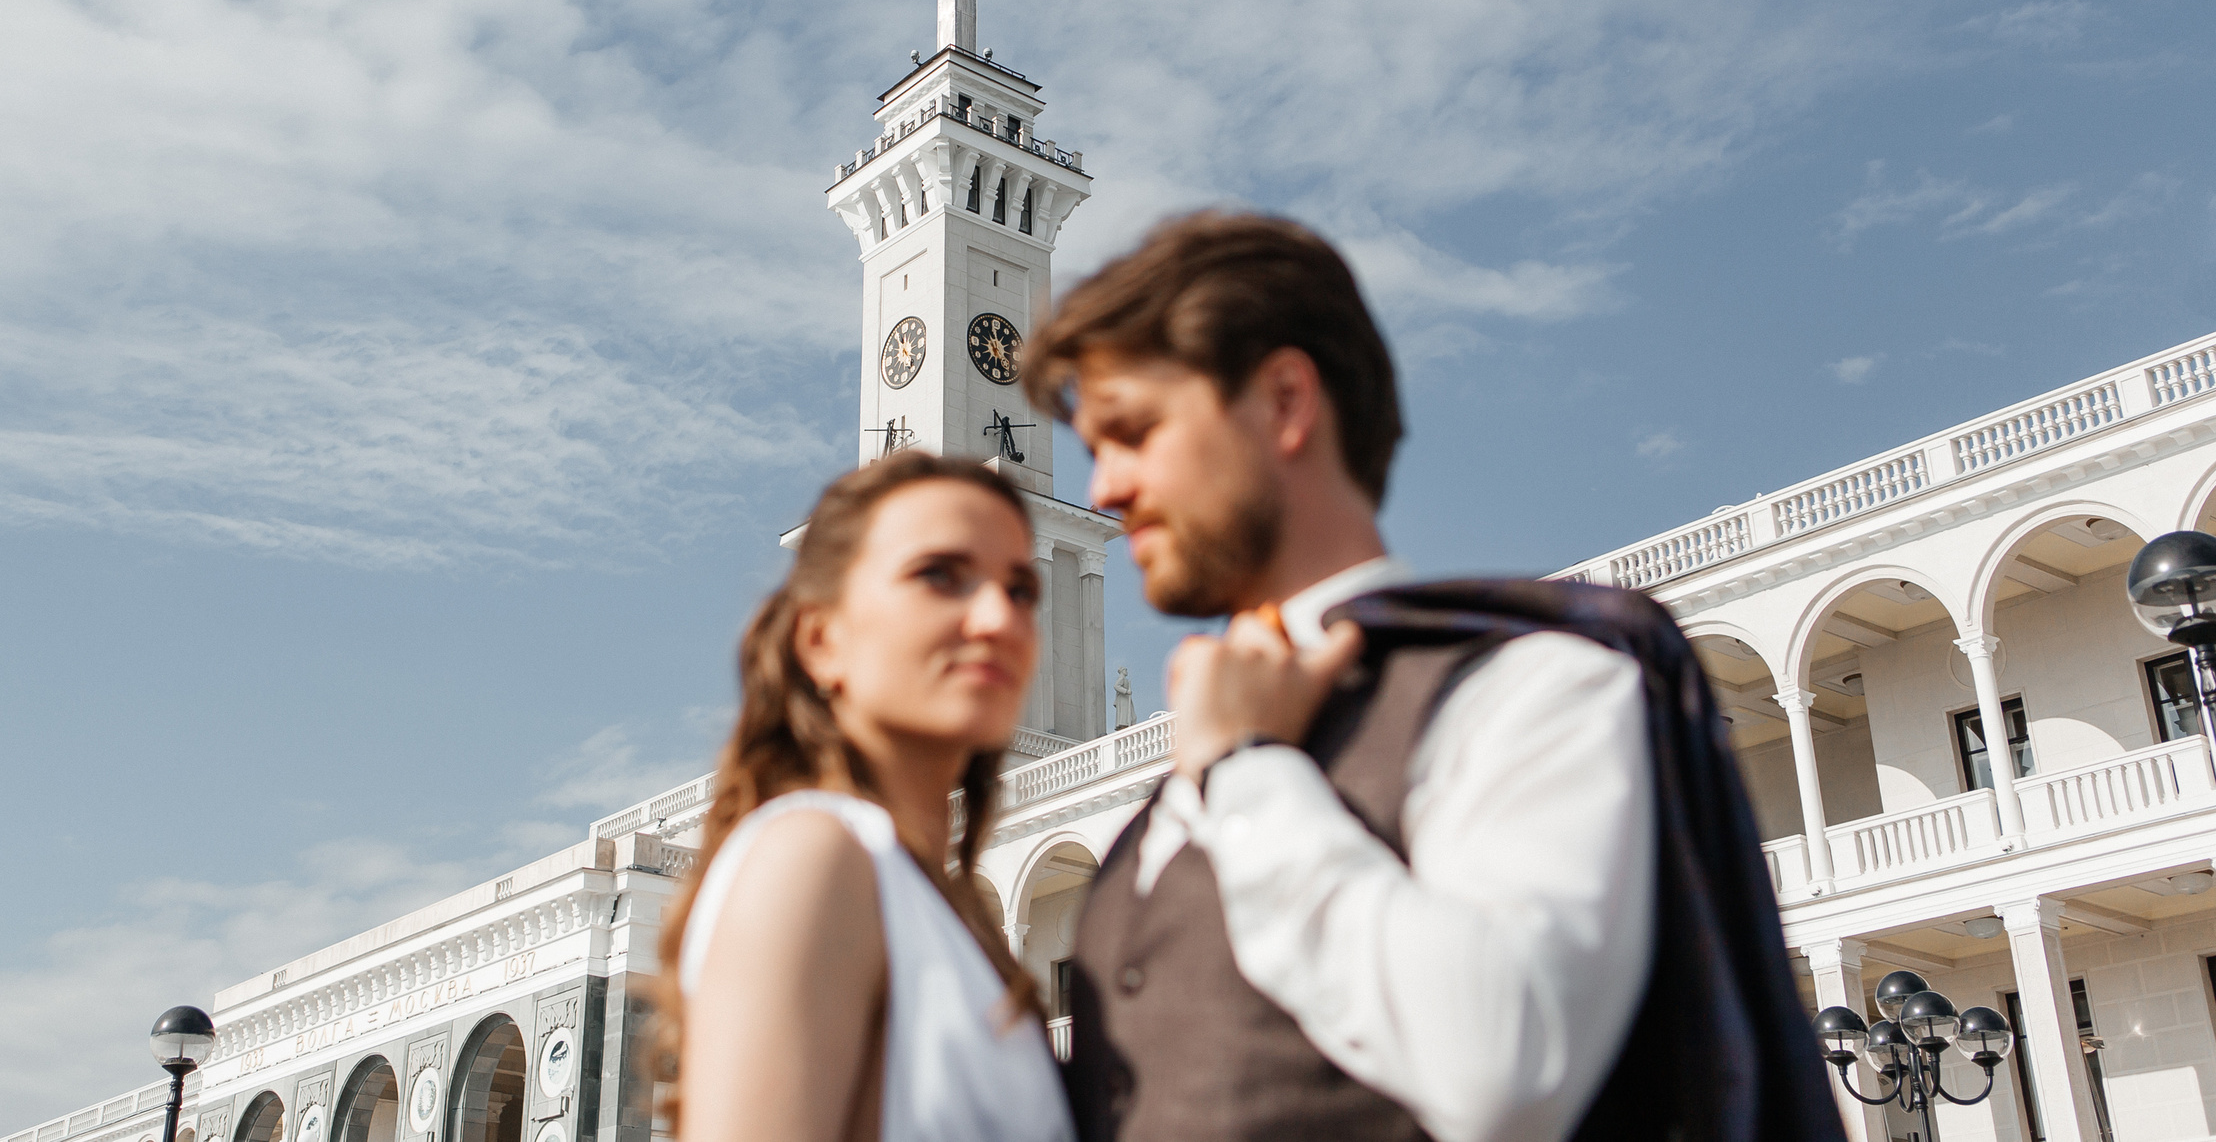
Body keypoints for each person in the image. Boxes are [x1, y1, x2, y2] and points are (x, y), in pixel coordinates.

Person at [1025, 212, 1838, 1142]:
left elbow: (1504, 1064)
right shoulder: (1146, 824)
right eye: (1095, 449)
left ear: (1287, 400)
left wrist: (1250, 770)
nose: (1105, 491)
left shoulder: (1532, 689)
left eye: (1133, 432)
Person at [654, 451, 1075, 1142]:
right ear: (822, 639)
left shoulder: (929, 900)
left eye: (1022, 588)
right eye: (940, 575)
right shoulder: (815, 858)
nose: (1000, 616)